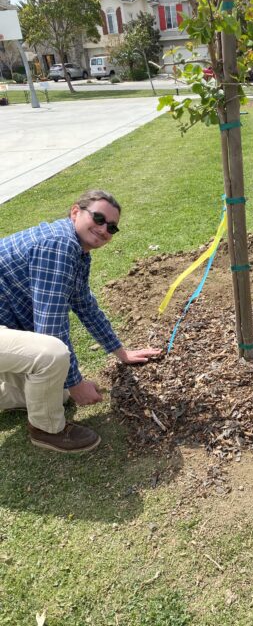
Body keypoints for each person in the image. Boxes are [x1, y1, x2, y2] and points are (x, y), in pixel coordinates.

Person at [0, 190, 161, 453]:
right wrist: (75, 383)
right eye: (98, 218)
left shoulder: (76, 250)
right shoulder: (59, 244)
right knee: (52, 355)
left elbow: (85, 306)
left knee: (55, 391)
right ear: (76, 212)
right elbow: (51, 329)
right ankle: (46, 430)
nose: (103, 229)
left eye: (112, 227)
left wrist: (120, 352)